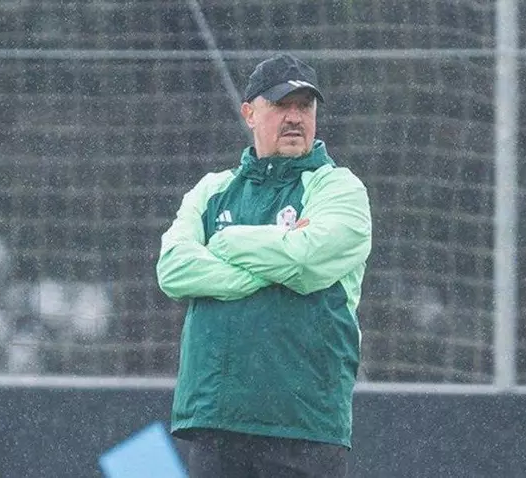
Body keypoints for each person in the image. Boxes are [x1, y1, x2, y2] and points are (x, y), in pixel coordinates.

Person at [156, 52, 372, 478]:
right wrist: (273, 260)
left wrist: (225, 241)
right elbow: (173, 269)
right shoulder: (212, 190)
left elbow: (306, 259)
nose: (294, 118)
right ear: (250, 113)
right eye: (280, 105)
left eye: (304, 107)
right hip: (218, 420)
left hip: (305, 423)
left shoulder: (340, 188)